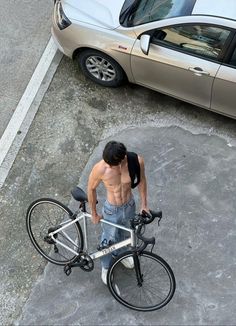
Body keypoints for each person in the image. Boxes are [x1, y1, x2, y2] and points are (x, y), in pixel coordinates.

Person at [87, 141, 149, 284]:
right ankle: (106, 266)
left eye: (111, 164)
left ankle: (120, 254)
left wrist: (144, 204)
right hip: (111, 210)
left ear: (122, 160)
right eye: (107, 163)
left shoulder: (136, 161)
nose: (107, 165)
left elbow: (142, 181)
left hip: (129, 206)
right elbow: (91, 188)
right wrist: (94, 213)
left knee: (127, 234)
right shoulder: (101, 168)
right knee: (109, 239)